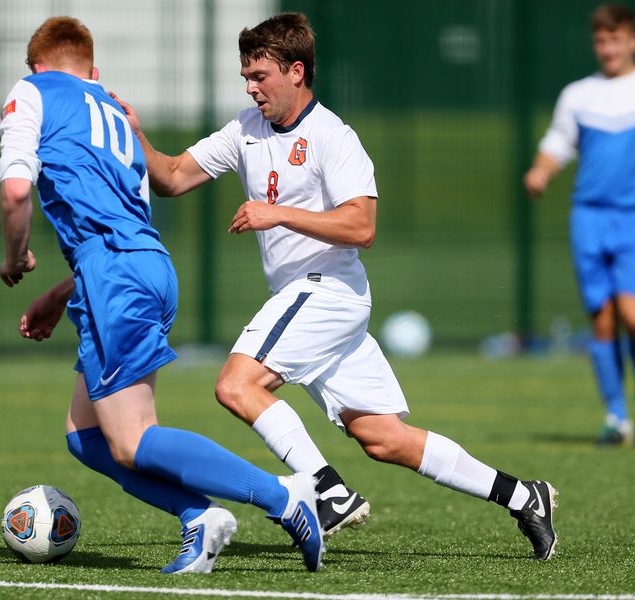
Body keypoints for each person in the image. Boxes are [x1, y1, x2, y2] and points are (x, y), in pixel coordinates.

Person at [109, 12, 559, 560]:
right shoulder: (245, 130)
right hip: (311, 302)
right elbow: (174, 176)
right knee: (383, 438)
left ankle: (327, 491)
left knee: (236, 385)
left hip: (327, 291)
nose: (251, 87)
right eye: (246, 76)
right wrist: (138, 139)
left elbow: (361, 226)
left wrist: (278, 213)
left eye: (260, 76)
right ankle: (523, 496)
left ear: (297, 71)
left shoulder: (332, 136)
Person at [0, 16, 326, 574]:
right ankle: (198, 518)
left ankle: (284, 496)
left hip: (114, 278)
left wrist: (15, 256)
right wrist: (62, 291)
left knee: (130, 439)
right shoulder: (113, 112)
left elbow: (14, 192)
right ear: (91, 70)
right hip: (142, 267)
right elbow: (119, 226)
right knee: (86, 437)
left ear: (38, 65)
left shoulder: (31, 91)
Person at [524, 3, 635, 447]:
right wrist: (541, 170)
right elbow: (559, 141)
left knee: (629, 311)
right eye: (600, 41)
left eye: (615, 39)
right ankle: (617, 416)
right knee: (602, 318)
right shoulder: (579, 93)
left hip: (631, 216)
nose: (607, 48)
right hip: (588, 215)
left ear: (631, 41)